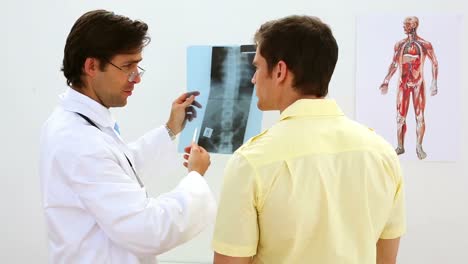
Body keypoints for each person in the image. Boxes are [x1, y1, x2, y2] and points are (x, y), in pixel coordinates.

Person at [210, 15, 406, 264]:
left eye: (257, 67)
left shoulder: (251, 163)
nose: (253, 78)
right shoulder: (383, 154)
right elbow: (386, 260)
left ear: (279, 71)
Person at [39, 10, 216, 264]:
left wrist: (170, 129)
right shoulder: (78, 141)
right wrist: (196, 178)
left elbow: (119, 166)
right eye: (127, 66)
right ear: (91, 66)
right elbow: (148, 229)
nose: (137, 78)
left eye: (138, 65)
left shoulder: (79, 124)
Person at [379, 16, 439, 160]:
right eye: (404, 24)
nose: (404, 27)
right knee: (400, 116)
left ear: (414, 26)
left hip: (418, 83)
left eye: (406, 24)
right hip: (403, 83)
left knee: (419, 116)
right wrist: (386, 79)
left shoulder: (425, 44)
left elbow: (434, 62)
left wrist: (434, 82)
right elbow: (394, 64)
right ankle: (400, 146)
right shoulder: (399, 44)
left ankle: (419, 147)